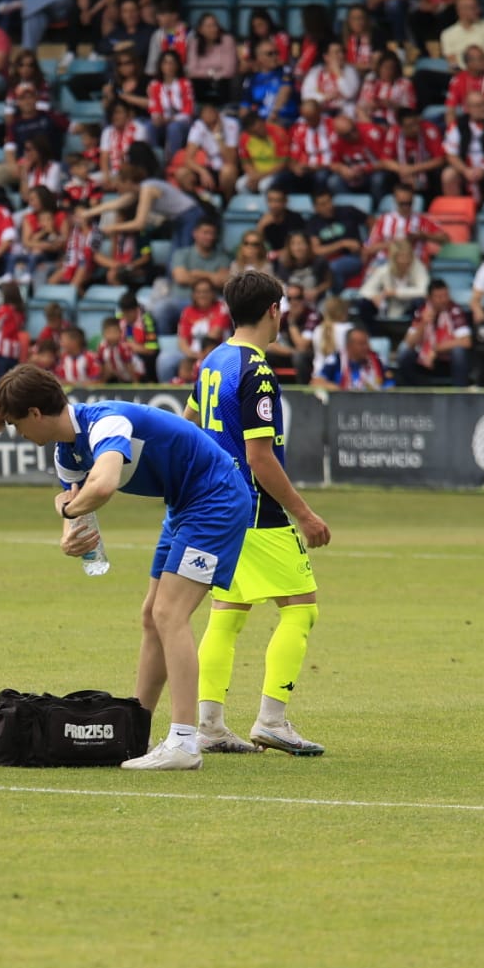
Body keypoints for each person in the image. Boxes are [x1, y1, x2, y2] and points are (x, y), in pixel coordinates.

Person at [0, 365, 252, 771]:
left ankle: (184, 742)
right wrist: (67, 533)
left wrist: (66, 508)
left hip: (216, 498)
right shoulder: (66, 452)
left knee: (170, 613)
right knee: (152, 616)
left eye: (17, 424)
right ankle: (134, 735)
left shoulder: (104, 422)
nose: (20, 434)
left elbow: (103, 485)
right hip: (183, 506)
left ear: (36, 413)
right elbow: (74, 506)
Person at [186, 268, 330, 757]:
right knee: (301, 608)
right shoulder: (256, 370)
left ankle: (208, 725)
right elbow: (260, 456)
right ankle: (273, 720)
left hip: (216, 507)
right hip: (254, 509)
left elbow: (188, 423)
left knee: (227, 612)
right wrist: (305, 515)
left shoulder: (213, 360)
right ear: (275, 310)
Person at [312, 326, 388, 391]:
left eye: (367, 343)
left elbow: (390, 386)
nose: (366, 347)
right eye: (361, 344)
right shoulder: (336, 360)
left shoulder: (376, 360)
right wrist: (340, 390)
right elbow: (316, 382)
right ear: (349, 346)